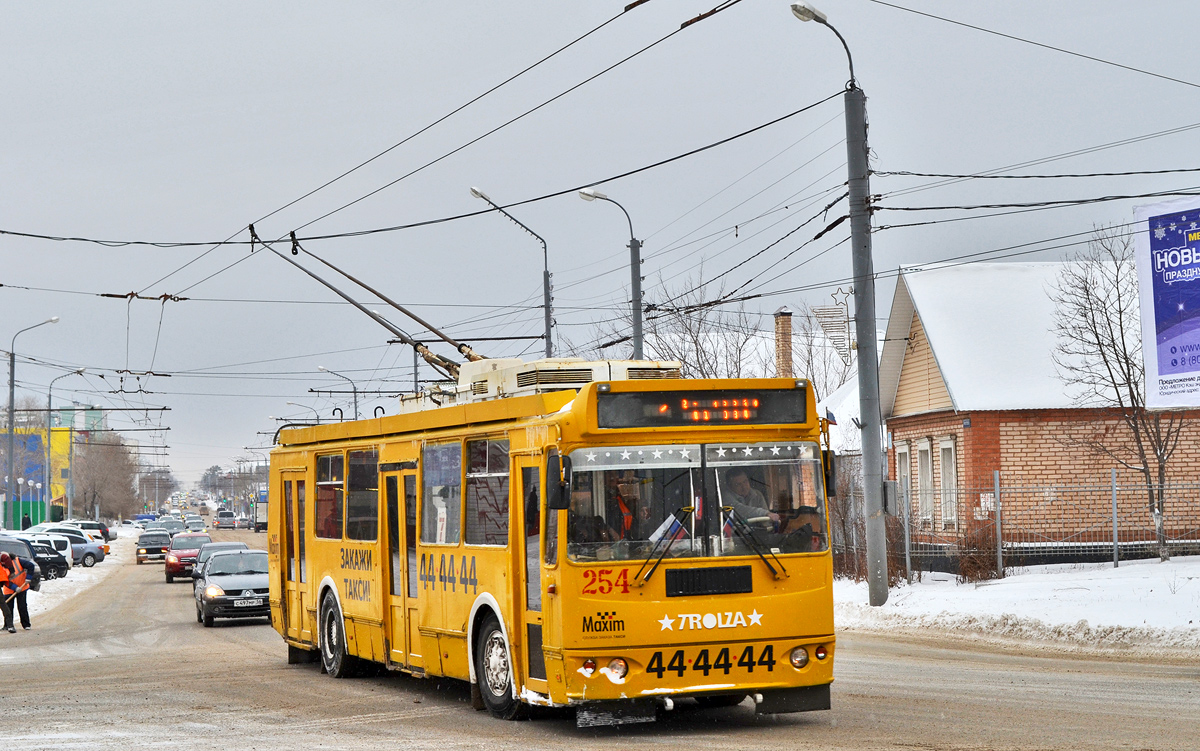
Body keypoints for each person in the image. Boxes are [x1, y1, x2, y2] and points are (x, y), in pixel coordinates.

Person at [0, 552, 33, 633]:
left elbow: (31, 566)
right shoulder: (2, 566)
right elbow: (5, 581)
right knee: (8, 607)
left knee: (22, 606)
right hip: (9, 589)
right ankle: (8, 625)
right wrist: (14, 588)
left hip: (22, 587)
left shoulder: (18, 561)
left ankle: (26, 624)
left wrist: (28, 578)